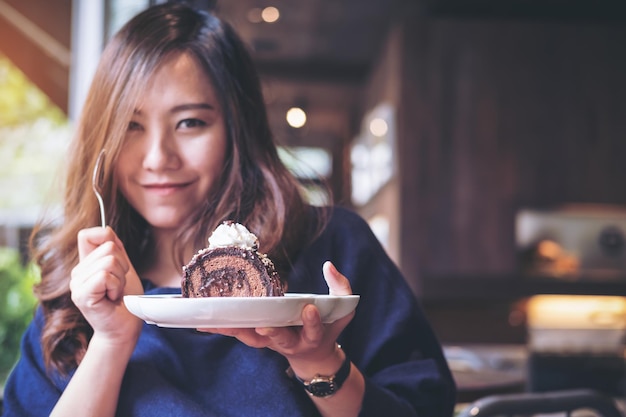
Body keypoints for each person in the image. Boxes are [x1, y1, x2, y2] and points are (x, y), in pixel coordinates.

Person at [2, 3, 456, 416]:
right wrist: (112, 340)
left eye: (190, 123)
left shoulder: (330, 248)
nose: (158, 157)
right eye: (131, 126)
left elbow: (421, 408)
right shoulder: (82, 289)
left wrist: (318, 361)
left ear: (237, 128)